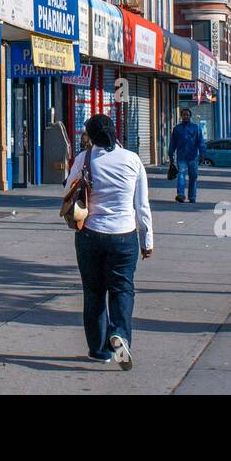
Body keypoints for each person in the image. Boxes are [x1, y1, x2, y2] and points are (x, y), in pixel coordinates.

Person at [66, 113, 153, 369]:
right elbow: (142, 205)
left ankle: (98, 350)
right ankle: (120, 335)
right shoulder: (132, 160)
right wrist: (146, 240)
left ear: (91, 136)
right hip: (124, 236)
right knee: (122, 289)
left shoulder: (84, 159)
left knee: (94, 292)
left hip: (90, 234)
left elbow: (69, 190)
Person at [168, 107, 207, 203]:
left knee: (193, 176)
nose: (185, 116)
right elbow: (173, 143)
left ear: (190, 116)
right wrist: (171, 155)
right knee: (181, 174)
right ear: (181, 116)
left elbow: (200, 142)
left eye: (187, 115)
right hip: (181, 157)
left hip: (193, 157)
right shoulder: (177, 129)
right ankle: (180, 194)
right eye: (184, 115)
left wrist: (202, 153)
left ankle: (192, 197)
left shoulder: (196, 128)